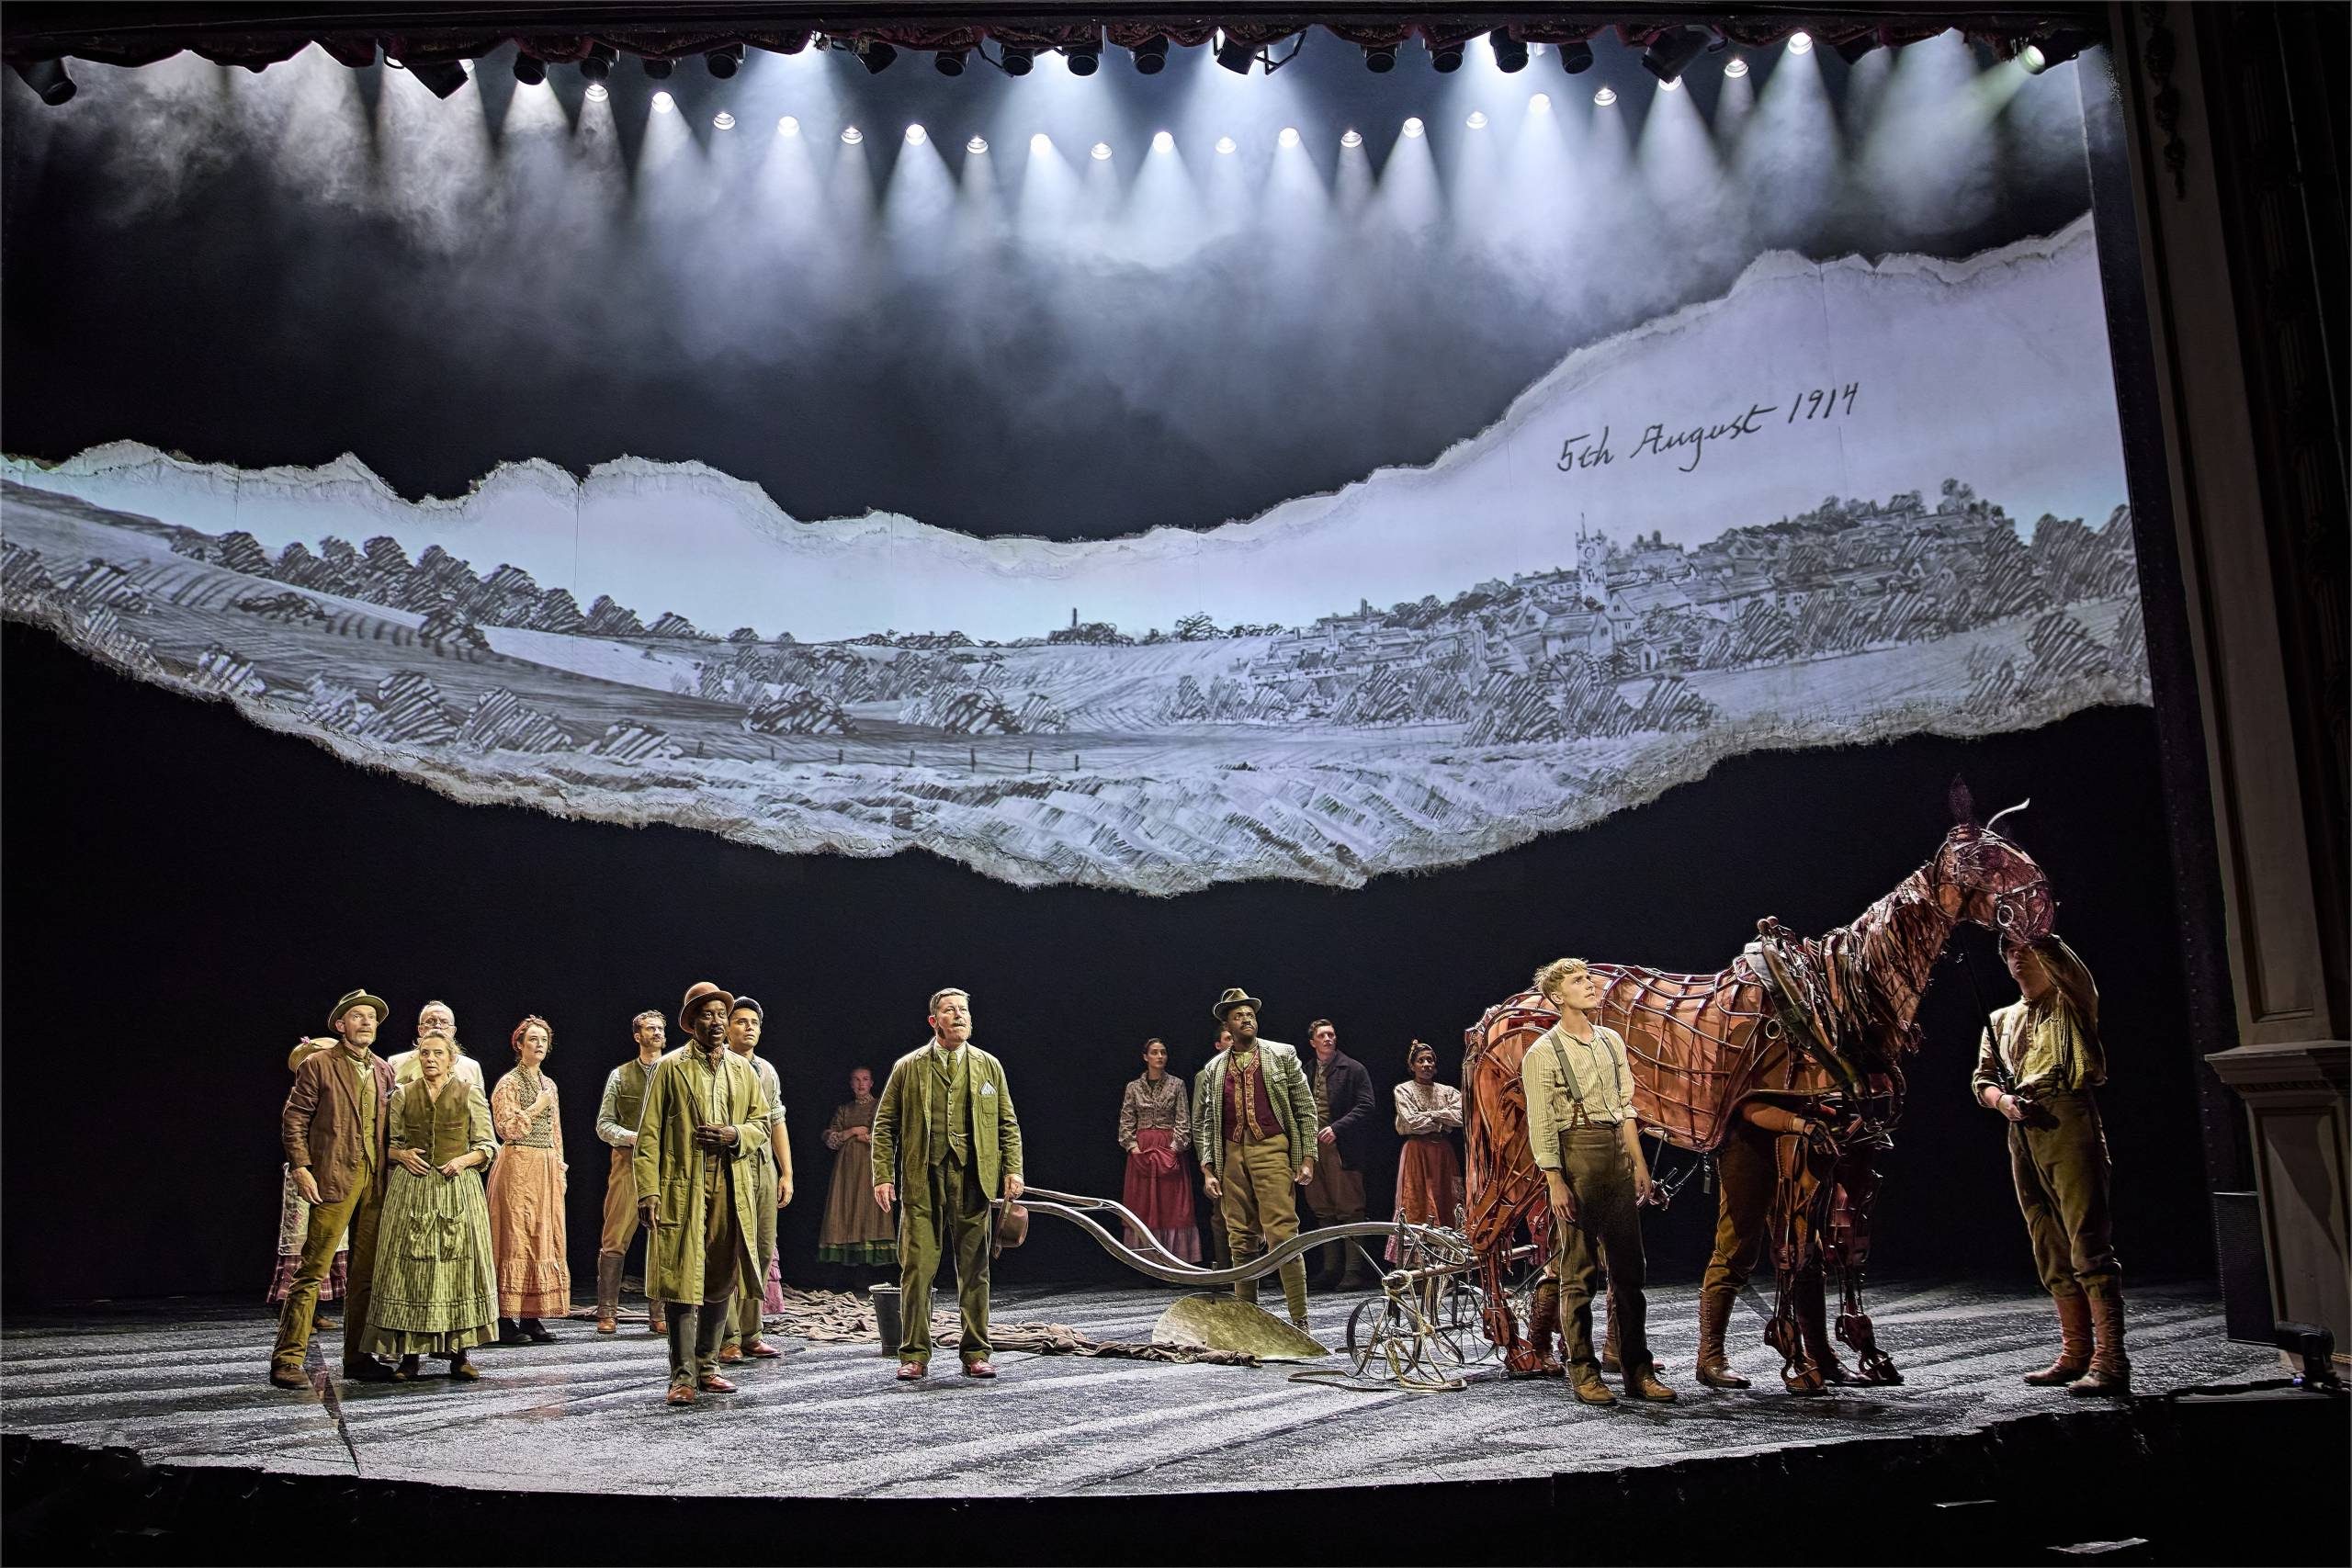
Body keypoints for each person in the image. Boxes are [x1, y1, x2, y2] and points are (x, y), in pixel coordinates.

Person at [1974, 934, 2126, 1395]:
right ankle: (2075, 1352)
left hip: (2067, 1113)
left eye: (2026, 949)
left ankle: (2111, 1359)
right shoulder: (2000, 1019)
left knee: (2086, 1235)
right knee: (2046, 1238)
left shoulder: (2071, 1001)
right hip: (2022, 1126)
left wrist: (2036, 930)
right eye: (2010, 951)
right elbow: (1982, 1079)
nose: (2018, 957)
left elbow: (2070, 969)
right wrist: (2003, 1102)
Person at [1522, 957, 1675, 1405]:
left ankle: (1637, 1370)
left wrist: (1640, 1165)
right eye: (1579, 980)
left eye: (1589, 978)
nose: (1590, 985)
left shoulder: (1610, 1041)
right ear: (1557, 996)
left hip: (1615, 1153)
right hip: (1576, 1153)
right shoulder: (1543, 1052)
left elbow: (1626, 1108)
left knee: (1630, 1271)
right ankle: (1584, 1372)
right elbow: (1541, 1122)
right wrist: (1555, 1179)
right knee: (1580, 1272)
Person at [872, 987, 1024, 1381]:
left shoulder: (988, 1066)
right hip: (922, 1178)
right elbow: (884, 1125)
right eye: (950, 1010)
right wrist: (883, 1175)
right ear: (933, 1021)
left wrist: (1013, 1169)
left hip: (973, 1178)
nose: (959, 1016)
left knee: (975, 1270)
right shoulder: (909, 1067)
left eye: (963, 1010)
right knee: (917, 1269)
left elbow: (1007, 1122)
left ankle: (976, 1351)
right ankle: (914, 1354)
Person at [636, 981, 770, 1405]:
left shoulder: (742, 1070)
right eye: (707, 1015)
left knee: (721, 1274)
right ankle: (682, 1376)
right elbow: (648, 1133)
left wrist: (735, 1134)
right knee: (679, 1277)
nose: (715, 1022)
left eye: (720, 1015)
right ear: (692, 1021)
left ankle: (708, 1366)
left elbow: (762, 1123)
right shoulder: (670, 1068)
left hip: (729, 1183)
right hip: (683, 1183)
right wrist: (648, 1191)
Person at [269, 988, 400, 1389]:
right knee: (313, 1268)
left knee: (365, 1275)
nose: (366, 1022)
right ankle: (287, 1359)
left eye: (371, 1017)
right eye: (358, 1016)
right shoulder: (320, 1064)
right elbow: (295, 1118)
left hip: (374, 1181)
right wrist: (302, 1167)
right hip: (334, 1176)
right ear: (341, 1025)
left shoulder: (383, 1070)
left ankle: (358, 1357)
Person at [367, 1031, 498, 1382]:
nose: (430, 1059)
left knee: (458, 1272)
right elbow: (386, 1145)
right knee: (410, 1271)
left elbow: (488, 1145)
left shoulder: (470, 1093)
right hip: (413, 1189)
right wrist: (401, 1155)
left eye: (438, 1053)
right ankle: (409, 1358)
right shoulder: (403, 1094)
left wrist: (464, 1160)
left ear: (451, 1059)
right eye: (425, 1053)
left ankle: (460, 1355)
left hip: (457, 1190)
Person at [1193, 988, 1316, 1330]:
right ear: (1227, 1026)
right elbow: (1207, 1122)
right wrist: (1208, 1169)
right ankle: (1247, 1321)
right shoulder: (1215, 1068)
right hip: (1232, 1155)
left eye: (1250, 1014)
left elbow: (1305, 1110)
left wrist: (1307, 1157)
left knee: (1283, 1233)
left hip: (1271, 1149)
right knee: (1240, 1237)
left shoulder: (1282, 1054)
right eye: (1239, 1016)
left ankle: (1300, 1319)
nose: (1247, 1019)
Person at [719, 997, 793, 1365]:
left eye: (754, 1023)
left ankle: (751, 1332)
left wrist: (786, 1172)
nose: (748, 1027)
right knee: (731, 1250)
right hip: (729, 1162)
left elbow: (777, 1120)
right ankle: (727, 1335)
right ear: (726, 1028)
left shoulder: (766, 1070)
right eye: (741, 1021)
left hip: (763, 1164)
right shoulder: (717, 1066)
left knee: (762, 1248)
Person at [487, 1016, 569, 1343]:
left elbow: (555, 1131)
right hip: (518, 1165)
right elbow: (507, 1128)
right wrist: (536, 1107)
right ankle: (504, 1317)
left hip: (545, 1166)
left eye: (543, 1040)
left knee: (542, 1236)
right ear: (519, 1045)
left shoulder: (550, 1085)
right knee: (515, 1236)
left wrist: (560, 1166)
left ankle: (533, 1317)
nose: (539, 1045)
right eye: (532, 1039)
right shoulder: (508, 1083)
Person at [594, 1010, 670, 1336]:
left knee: (662, 1239)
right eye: (650, 1028)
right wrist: (631, 1137)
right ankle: (607, 1311)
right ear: (638, 1036)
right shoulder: (621, 1075)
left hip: (665, 1166)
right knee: (615, 1238)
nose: (657, 1033)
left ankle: (660, 1313)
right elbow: (603, 1124)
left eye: (661, 1028)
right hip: (628, 1163)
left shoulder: (675, 1071)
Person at [267, 1033, 350, 1326]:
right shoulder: (303, 1093)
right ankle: (295, 1313)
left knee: (327, 1238)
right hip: (308, 1171)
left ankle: (311, 1311)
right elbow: (295, 1130)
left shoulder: (335, 1093)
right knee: (302, 1240)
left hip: (332, 1172)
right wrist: (303, 1166)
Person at [1300, 1019, 1377, 1289]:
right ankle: (1331, 1268)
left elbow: (1366, 1105)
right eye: (1322, 1035)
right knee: (1323, 1208)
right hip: (1313, 1149)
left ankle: (1353, 1270)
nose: (1328, 1039)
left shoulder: (1352, 1068)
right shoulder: (1306, 1071)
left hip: (1341, 1147)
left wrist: (1337, 1128)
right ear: (1313, 1042)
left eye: (1331, 1034)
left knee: (1350, 1207)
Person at [1116, 1038, 1198, 1262]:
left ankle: (1174, 1258)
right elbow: (1126, 1120)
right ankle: (1146, 1259)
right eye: (1154, 1052)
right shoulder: (1133, 1087)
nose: (1160, 1056)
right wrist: (1133, 1148)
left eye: (1163, 1052)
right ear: (1145, 1057)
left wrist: (1174, 1149)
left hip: (1168, 1149)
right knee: (1143, 1204)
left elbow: (1183, 1119)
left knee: (1172, 1205)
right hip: (1142, 1151)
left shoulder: (1177, 1084)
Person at [1388, 1039, 1464, 1263]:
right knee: (1416, 1200)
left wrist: (1430, 1115)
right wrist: (1441, 1118)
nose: (1426, 1064)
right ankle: (1416, 1262)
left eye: (1430, 1060)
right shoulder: (1404, 1090)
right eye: (1421, 1060)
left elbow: (1461, 1117)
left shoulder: (1448, 1092)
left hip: (1442, 1153)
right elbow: (1411, 1121)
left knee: (1446, 1199)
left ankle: (1449, 1259)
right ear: (1412, 1066)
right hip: (1417, 1152)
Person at [817, 1067, 896, 1278]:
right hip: (846, 1171)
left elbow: (888, 1133)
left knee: (869, 1211)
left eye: (865, 1079)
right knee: (845, 1209)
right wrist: (853, 1131)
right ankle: (848, 1272)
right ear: (851, 1084)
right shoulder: (844, 1110)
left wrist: (867, 1137)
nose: (861, 1084)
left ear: (871, 1083)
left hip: (870, 1168)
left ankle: (873, 1273)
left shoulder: (879, 1106)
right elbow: (831, 1137)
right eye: (856, 1080)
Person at [1193, 1028, 1235, 1269]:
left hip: (1249, 1151)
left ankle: (1253, 1270)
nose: (1233, 1042)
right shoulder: (1205, 1075)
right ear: (1218, 1045)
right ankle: (1226, 1270)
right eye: (1227, 1038)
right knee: (1221, 1214)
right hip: (1221, 1154)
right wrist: (1206, 1165)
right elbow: (1199, 1122)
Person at [383, 999, 486, 1094]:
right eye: (430, 1021)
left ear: (453, 1031)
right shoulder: (396, 1063)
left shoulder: (472, 1067)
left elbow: (478, 1105)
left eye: (444, 1022)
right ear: (420, 1030)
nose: (437, 1026)